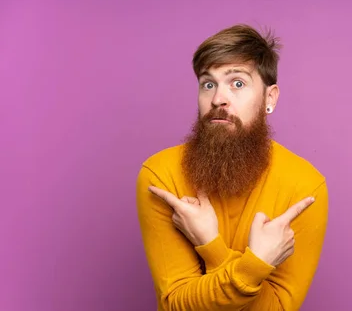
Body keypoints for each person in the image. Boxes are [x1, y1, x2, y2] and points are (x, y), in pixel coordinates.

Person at [135, 24, 329, 311]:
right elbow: (177, 304)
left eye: (237, 83)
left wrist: (209, 245)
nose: (217, 99)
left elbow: (277, 308)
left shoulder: (305, 187)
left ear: (269, 98)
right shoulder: (161, 175)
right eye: (208, 84)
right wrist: (256, 266)